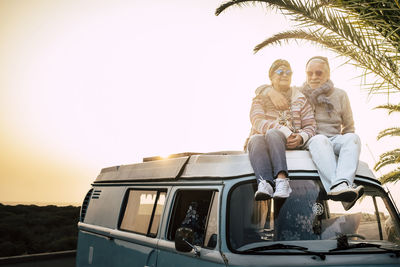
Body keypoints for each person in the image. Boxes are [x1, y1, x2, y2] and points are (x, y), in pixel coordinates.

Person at [267, 56, 364, 205]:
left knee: (353, 138)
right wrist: (270, 92)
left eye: (318, 73)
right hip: (309, 138)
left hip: (334, 139)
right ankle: (339, 189)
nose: (313, 77)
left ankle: (342, 183)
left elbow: (349, 126)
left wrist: (344, 153)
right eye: (309, 73)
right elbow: (266, 87)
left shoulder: (340, 95)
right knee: (320, 139)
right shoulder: (298, 92)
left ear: (328, 74)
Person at [248, 59, 316, 201]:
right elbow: (257, 120)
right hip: (263, 144)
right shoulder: (260, 98)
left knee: (272, 133)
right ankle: (265, 183)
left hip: (292, 145)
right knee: (256, 138)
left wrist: (301, 137)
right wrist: (283, 130)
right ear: (271, 77)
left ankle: (282, 180)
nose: (285, 75)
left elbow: (311, 125)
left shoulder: (300, 99)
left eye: (288, 72)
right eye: (280, 72)